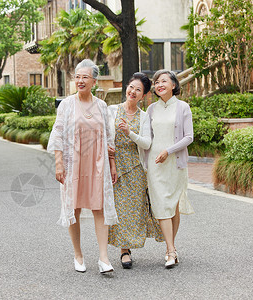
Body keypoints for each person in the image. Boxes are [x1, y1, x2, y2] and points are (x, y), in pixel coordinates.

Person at [47, 59, 118, 274]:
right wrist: (59, 164)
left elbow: (109, 138)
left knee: (99, 208)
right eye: (77, 76)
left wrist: (112, 165)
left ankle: (104, 258)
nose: (80, 80)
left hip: (97, 164)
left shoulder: (102, 106)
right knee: (74, 208)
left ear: (94, 81)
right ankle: (78, 254)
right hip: (73, 163)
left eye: (84, 77)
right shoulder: (67, 105)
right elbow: (58, 133)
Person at [107, 72, 164, 269]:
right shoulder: (112, 110)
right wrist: (111, 161)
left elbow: (147, 143)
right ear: (126, 87)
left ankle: (129, 246)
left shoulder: (143, 116)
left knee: (133, 210)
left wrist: (129, 132)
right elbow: (105, 137)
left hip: (136, 168)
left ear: (143, 95)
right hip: (115, 167)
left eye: (138, 90)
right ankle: (124, 251)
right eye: (131, 87)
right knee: (119, 210)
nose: (133, 91)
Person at [145, 69, 194, 268]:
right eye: (156, 82)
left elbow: (188, 137)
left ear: (174, 85)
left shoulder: (183, 107)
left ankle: (169, 249)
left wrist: (168, 151)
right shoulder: (150, 109)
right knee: (162, 206)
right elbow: (147, 139)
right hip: (155, 164)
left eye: (164, 81)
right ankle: (172, 250)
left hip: (175, 163)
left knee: (173, 207)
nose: (159, 84)